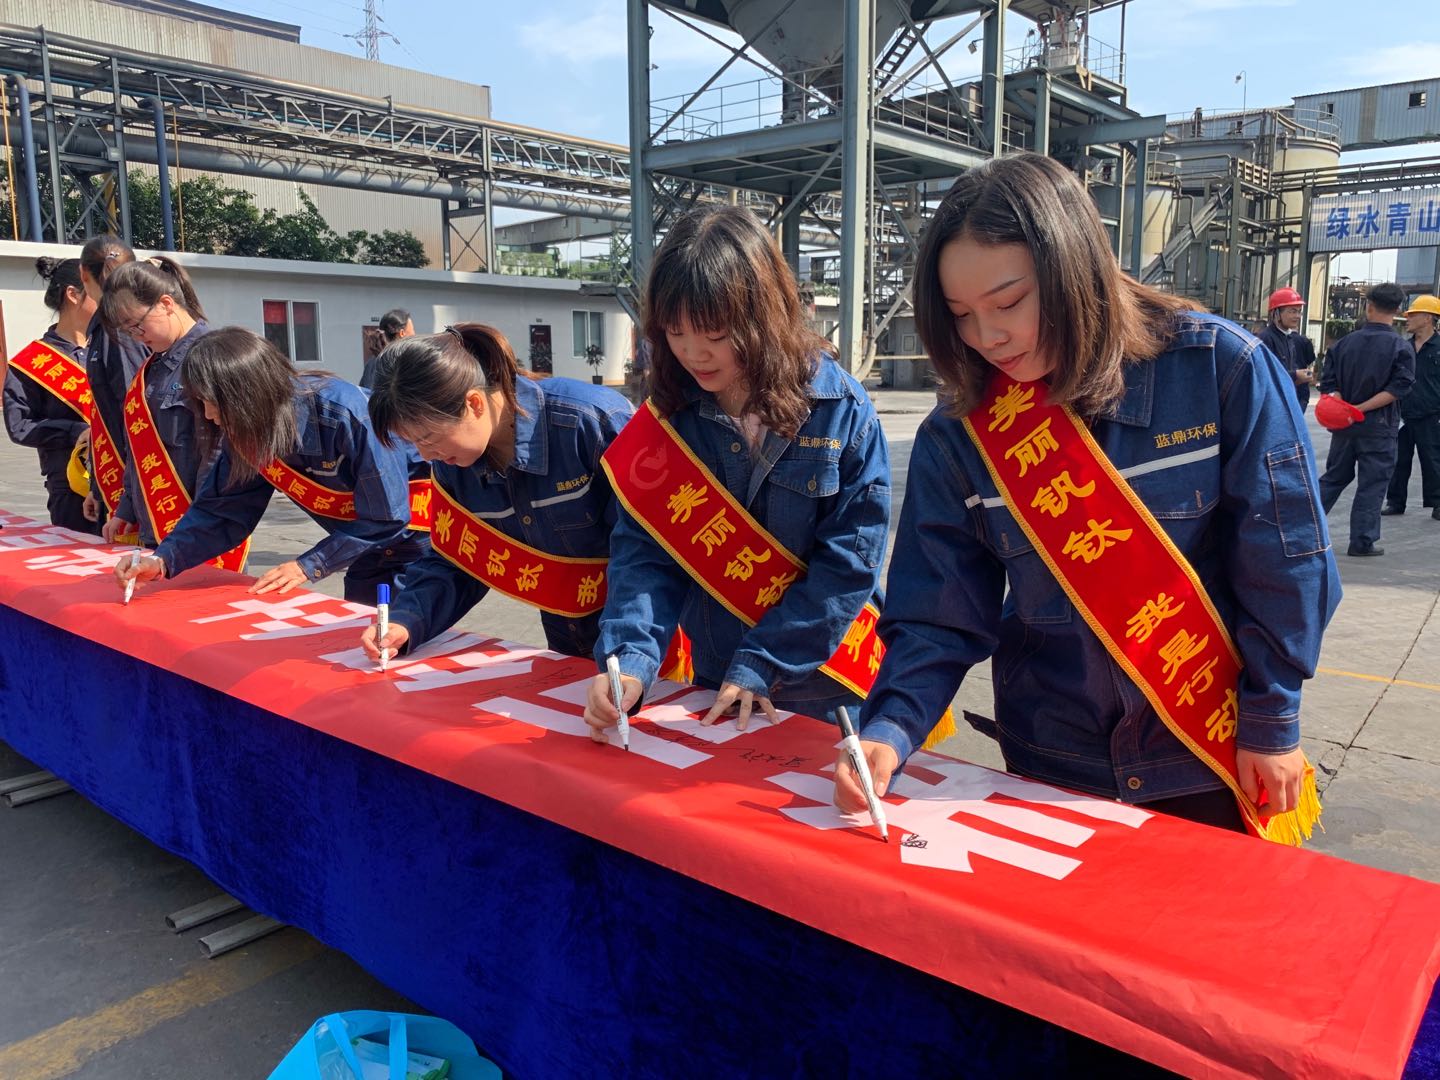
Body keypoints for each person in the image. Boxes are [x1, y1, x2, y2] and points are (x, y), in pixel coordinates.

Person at [833, 153, 1339, 839]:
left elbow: (1285, 561)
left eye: (1008, 303)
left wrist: (1273, 718)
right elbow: (936, 612)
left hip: (1204, 754)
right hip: (1051, 755)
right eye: (961, 316)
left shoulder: (1221, 371)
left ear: (1073, 269)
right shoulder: (961, 434)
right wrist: (889, 728)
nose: (988, 337)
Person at [581, 205, 892, 738]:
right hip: (717, 677)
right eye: (675, 332)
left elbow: (848, 564)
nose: (693, 353)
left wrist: (763, 661)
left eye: (715, 332)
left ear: (762, 314)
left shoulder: (841, 410)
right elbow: (645, 551)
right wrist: (629, 661)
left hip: (826, 685)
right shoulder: (670, 415)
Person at [360, 323, 633, 662]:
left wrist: (629, 654)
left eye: (428, 438)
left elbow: (644, 555)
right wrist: (406, 620)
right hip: (568, 644)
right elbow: (457, 557)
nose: (426, 455)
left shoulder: (590, 422)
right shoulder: (453, 461)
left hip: (646, 643)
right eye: (413, 443)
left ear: (474, 403)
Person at [114, 327, 432, 602]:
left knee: (406, 635)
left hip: (419, 544)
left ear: (247, 395)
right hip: (366, 550)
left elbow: (387, 518)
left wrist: (307, 565)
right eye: (203, 404)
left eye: (213, 403)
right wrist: (162, 560)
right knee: (364, 633)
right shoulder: (248, 431)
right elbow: (221, 511)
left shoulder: (347, 416)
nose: (209, 415)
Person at [97, 257, 230, 559]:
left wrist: (200, 525)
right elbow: (139, 449)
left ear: (166, 303)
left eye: (136, 325)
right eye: (128, 331)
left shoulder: (214, 357)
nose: (137, 336)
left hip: (197, 533)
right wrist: (127, 508)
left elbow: (220, 455)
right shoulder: (151, 368)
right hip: (157, 528)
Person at [3, 257, 101, 533]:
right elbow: (20, 426)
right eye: (99, 293)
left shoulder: (113, 349)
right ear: (73, 295)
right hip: (71, 484)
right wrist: (74, 431)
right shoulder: (31, 363)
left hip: (122, 481)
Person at [1317, 282, 1415, 556]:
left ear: (1368, 307)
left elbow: (1329, 383)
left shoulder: (1343, 344)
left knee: (1334, 478)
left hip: (1345, 426)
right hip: (1379, 428)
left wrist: (1345, 408)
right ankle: (1361, 541)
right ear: (1398, 310)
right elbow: (1399, 388)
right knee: (1372, 484)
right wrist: (1361, 408)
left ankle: (1302, 529)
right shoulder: (1401, 347)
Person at [77, 235, 147, 533]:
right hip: (125, 478)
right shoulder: (111, 325)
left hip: (138, 484)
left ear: (83, 274)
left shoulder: (117, 329)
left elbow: (133, 414)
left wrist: (128, 501)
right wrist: (97, 483)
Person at [1383, 295, 1440, 519]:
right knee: (1398, 460)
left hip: (1432, 415)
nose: (1407, 319)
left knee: (1433, 460)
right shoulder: (1403, 347)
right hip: (1403, 414)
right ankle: (1395, 502)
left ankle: (1438, 503)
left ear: (1427, 318)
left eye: (1412, 315)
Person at [1256, 287, 1316, 412]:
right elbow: (1264, 375)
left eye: (1299, 312)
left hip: (1286, 401)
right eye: (1292, 311)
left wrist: (1300, 377)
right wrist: (1295, 375)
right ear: (1276, 313)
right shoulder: (1266, 338)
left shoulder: (1288, 338)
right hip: (1271, 406)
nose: (1297, 316)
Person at [359, 308, 415, 390]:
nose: (414, 334)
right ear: (402, 333)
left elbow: (363, 391)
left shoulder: (372, 362)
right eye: (412, 329)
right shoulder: (405, 362)